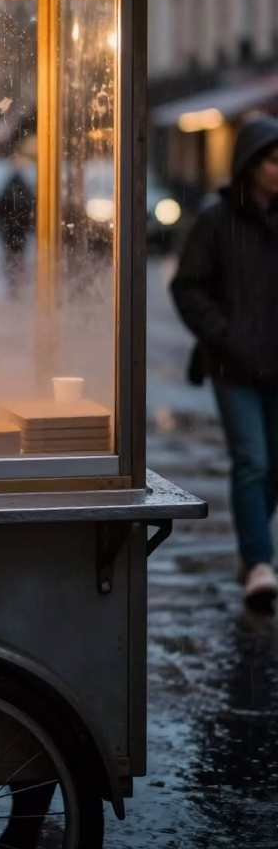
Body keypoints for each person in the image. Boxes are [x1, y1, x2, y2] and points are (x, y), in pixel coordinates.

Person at [171, 117, 278, 609]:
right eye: (272, 161)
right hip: (232, 365)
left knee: (272, 465)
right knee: (252, 459)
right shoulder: (217, 221)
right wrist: (224, 335)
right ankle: (259, 561)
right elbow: (186, 286)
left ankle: (253, 550)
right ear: (250, 166)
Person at [0, 159, 35, 297]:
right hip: (18, 230)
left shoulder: (8, 186)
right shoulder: (23, 187)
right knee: (18, 256)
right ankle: (16, 281)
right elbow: (30, 206)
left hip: (10, 230)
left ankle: (13, 283)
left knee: (11, 257)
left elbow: (1, 208)